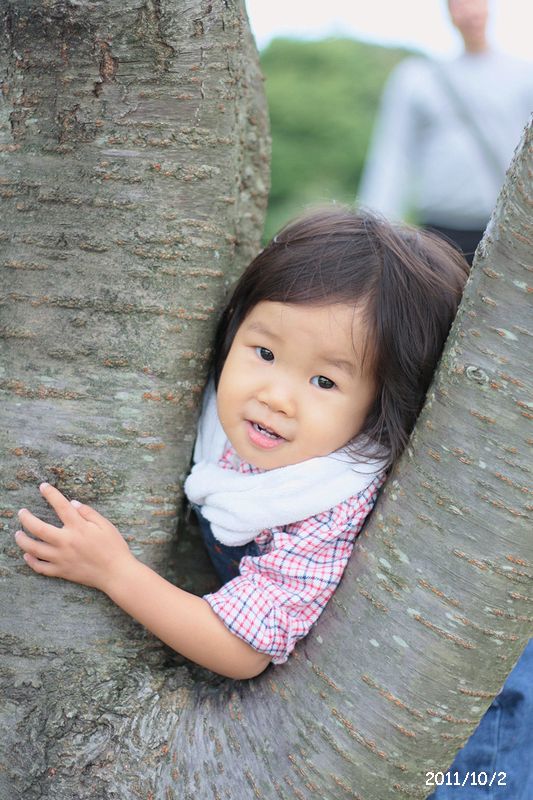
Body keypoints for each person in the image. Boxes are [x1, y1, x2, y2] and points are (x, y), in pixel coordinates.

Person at [14, 207, 468, 680]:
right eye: (266, 353)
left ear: (381, 407)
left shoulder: (328, 502)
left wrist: (114, 571)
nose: (275, 397)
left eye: (324, 381)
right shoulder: (217, 403)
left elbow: (242, 651)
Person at [358, 0, 533, 264]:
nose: (471, 11)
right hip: (439, 232)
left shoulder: (525, 76)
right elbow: (393, 155)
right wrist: (372, 231)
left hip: (509, 228)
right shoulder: (417, 78)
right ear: (449, 12)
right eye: (460, 4)